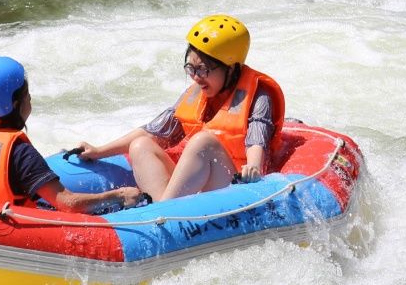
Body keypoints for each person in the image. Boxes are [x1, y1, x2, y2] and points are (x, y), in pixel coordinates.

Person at [74, 14, 285, 201]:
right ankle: (163, 215)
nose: (195, 76)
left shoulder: (258, 96)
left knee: (203, 141)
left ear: (230, 69)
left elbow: (257, 138)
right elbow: (154, 132)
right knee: (141, 145)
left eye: (203, 69)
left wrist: (254, 167)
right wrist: (98, 151)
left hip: (237, 186)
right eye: (190, 67)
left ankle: (164, 213)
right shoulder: (197, 92)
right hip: (196, 190)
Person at [0, 56, 142, 213]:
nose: (31, 100)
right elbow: (68, 203)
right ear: (16, 104)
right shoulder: (19, 153)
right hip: (0, 234)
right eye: (27, 95)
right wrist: (118, 195)